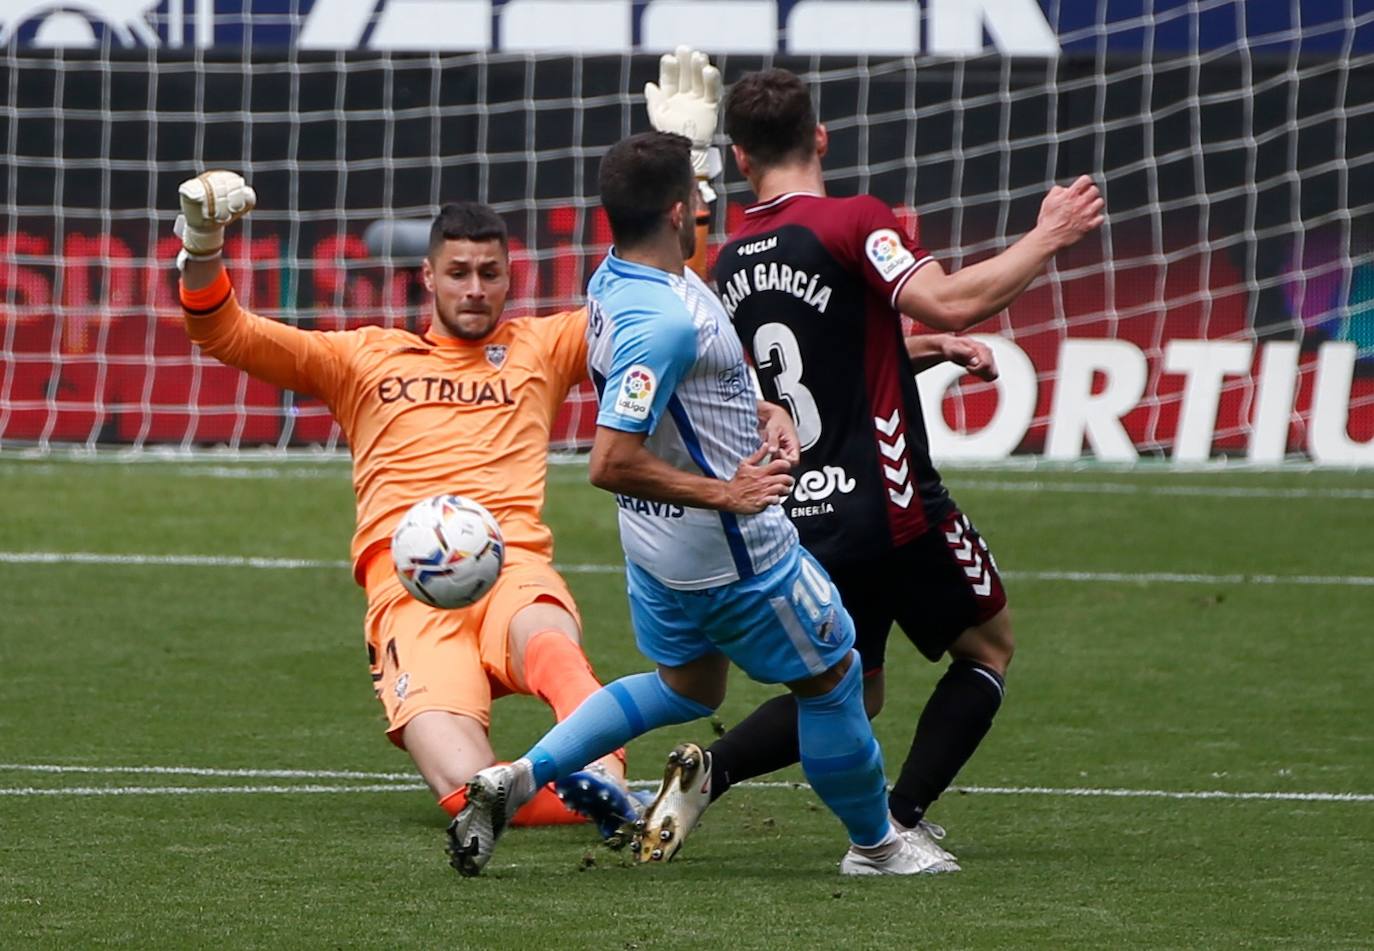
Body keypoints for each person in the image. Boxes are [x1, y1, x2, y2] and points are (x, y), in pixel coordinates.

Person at [630, 58, 1105, 869]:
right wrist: (1048, 234)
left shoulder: (731, 262)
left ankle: (715, 767)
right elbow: (949, 295)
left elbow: (811, 362)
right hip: (891, 504)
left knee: (851, 686)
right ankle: (895, 820)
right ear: (820, 136)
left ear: (740, 158)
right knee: (988, 646)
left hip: (797, 509)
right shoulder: (854, 220)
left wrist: (916, 350)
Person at [447, 130, 952, 878]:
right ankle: (876, 845)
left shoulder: (621, 278)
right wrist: (730, 491)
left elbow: (703, 380)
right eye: (700, 196)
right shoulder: (663, 323)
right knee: (835, 673)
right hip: (734, 554)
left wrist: (764, 406)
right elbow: (610, 459)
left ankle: (518, 775)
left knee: (691, 685)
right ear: (679, 210)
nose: (710, 206)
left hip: (659, 557)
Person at [174, 176, 664, 845]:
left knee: (551, 643)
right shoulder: (363, 358)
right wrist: (202, 244)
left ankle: (607, 781)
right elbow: (225, 331)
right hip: (407, 592)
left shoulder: (541, 347)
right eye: (458, 272)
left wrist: (684, 189)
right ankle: (591, 804)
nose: (474, 288)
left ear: (509, 277)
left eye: (490, 273)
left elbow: (657, 299)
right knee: (467, 786)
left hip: (512, 564)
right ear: (428, 276)